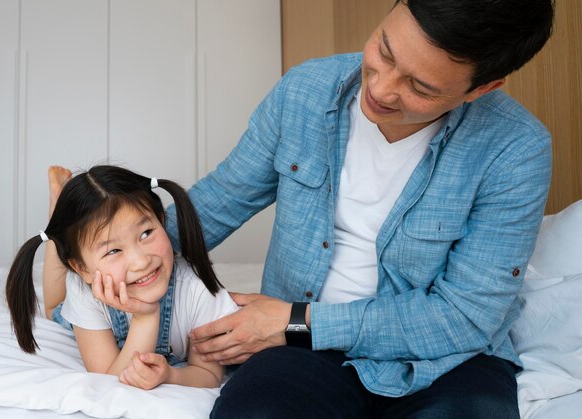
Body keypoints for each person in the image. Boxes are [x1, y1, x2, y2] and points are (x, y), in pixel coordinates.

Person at [165, 0, 555, 417]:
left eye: (420, 88)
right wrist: (105, 248)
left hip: (449, 361)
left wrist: (297, 320)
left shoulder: (516, 150)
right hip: (297, 350)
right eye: (384, 52)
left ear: (482, 88)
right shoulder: (305, 92)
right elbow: (218, 203)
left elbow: (464, 315)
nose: (382, 89)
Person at [5, 165, 238, 390]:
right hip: (97, 295)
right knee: (53, 310)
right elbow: (108, 378)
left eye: (146, 233)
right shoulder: (86, 291)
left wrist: (171, 374)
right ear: (82, 269)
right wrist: (145, 317)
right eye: (113, 251)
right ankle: (56, 220)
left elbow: (208, 374)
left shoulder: (197, 289)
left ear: (161, 219)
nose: (141, 261)